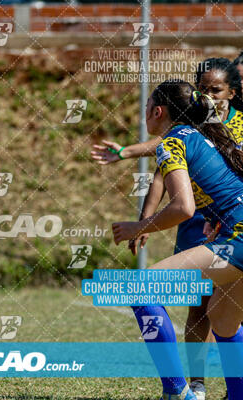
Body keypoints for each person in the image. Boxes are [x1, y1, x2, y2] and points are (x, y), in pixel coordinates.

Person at [91, 57, 243, 400]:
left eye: (147, 106)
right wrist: (218, 218)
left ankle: (178, 392)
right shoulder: (207, 135)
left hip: (238, 239)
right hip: (234, 233)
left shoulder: (173, 142)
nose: (144, 113)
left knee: (141, 290)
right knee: (222, 319)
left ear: (158, 112)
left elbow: (182, 207)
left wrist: (137, 226)